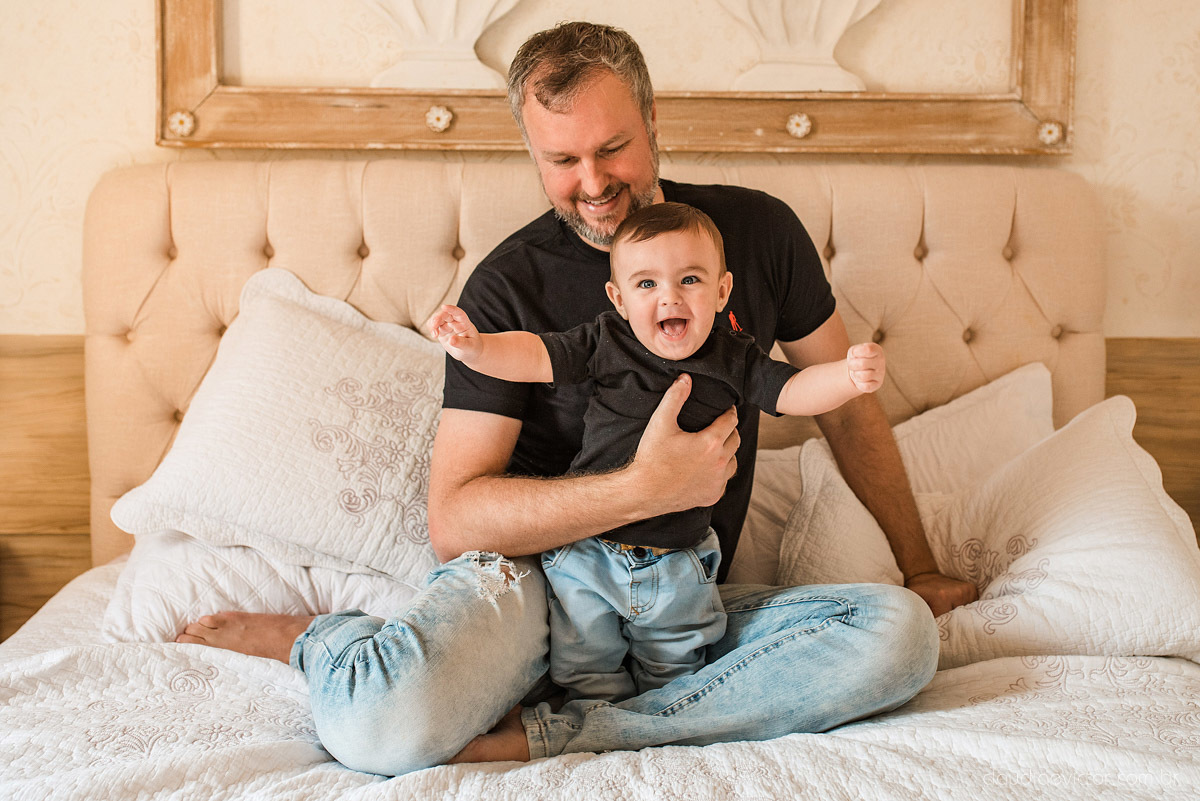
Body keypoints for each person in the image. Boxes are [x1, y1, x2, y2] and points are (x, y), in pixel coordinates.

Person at [176, 20, 977, 776]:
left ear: (653, 121)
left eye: (613, 149)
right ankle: (325, 640)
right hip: (533, 587)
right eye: (561, 161)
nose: (593, 185)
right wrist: (643, 487)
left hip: (682, 591)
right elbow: (456, 520)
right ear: (531, 152)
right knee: (377, 724)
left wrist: (921, 566)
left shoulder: (757, 236)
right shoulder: (508, 286)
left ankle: (568, 732)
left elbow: (837, 402)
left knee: (898, 639)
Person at [427, 201, 887, 704]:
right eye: (647, 285)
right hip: (587, 553)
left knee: (676, 673)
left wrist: (846, 377)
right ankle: (595, 725)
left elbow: (793, 391)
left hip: (678, 560)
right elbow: (536, 355)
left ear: (722, 291)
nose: (669, 297)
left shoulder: (736, 357)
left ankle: (655, 728)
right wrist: (477, 349)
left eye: (689, 280)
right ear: (619, 299)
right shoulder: (607, 341)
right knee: (582, 666)